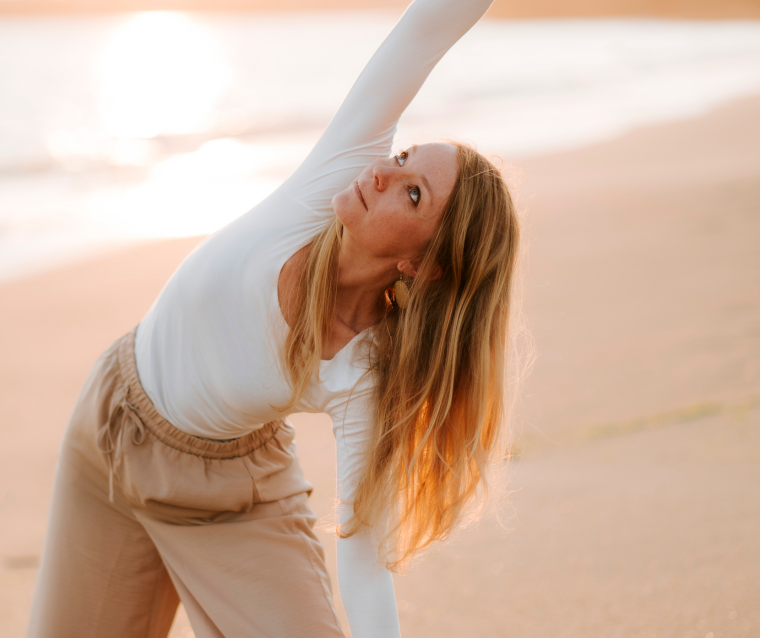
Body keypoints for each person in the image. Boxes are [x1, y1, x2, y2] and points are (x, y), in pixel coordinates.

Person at [27, 0, 520, 636]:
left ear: (424, 269)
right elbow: (427, 26)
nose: (383, 174)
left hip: (228, 499)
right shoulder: (332, 180)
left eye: (414, 193)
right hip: (107, 432)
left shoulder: (361, 375)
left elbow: (365, 559)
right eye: (402, 159)